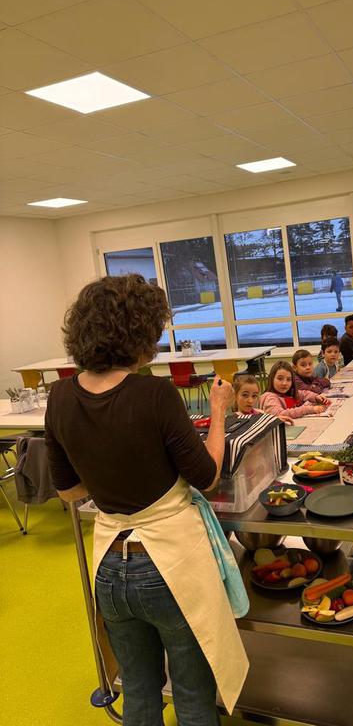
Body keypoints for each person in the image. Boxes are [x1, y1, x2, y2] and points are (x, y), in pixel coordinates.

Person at [44, 274, 248, 726]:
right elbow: (207, 477)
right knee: (192, 695)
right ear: (139, 332)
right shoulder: (154, 394)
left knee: (138, 691)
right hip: (168, 565)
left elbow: (68, 491)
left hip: (108, 566)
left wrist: (109, 471)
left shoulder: (59, 396)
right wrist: (218, 410)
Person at [260, 361, 328, 420]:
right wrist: (309, 409)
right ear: (271, 379)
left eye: (288, 379)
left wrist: (316, 397)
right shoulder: (269, 397)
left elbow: (303, 394)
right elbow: (280, 415)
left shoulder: (289, 392)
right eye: (280, 379)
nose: (284, 383)